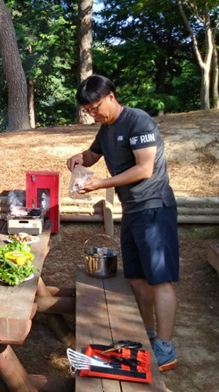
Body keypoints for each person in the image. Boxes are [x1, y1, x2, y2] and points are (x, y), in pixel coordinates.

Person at [66, 75, 179, 371]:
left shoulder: (138, 121)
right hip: (131, 210)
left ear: (112, 97)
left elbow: (144, 169)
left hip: (154, 207)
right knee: (137, 279)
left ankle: (166, 347)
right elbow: (92, 155)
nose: (93, 114)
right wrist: (78, 159)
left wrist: (101, 183)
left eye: (95, 107)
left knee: (159, 279)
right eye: (88, 111)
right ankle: (149, 334)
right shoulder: (106, 130)